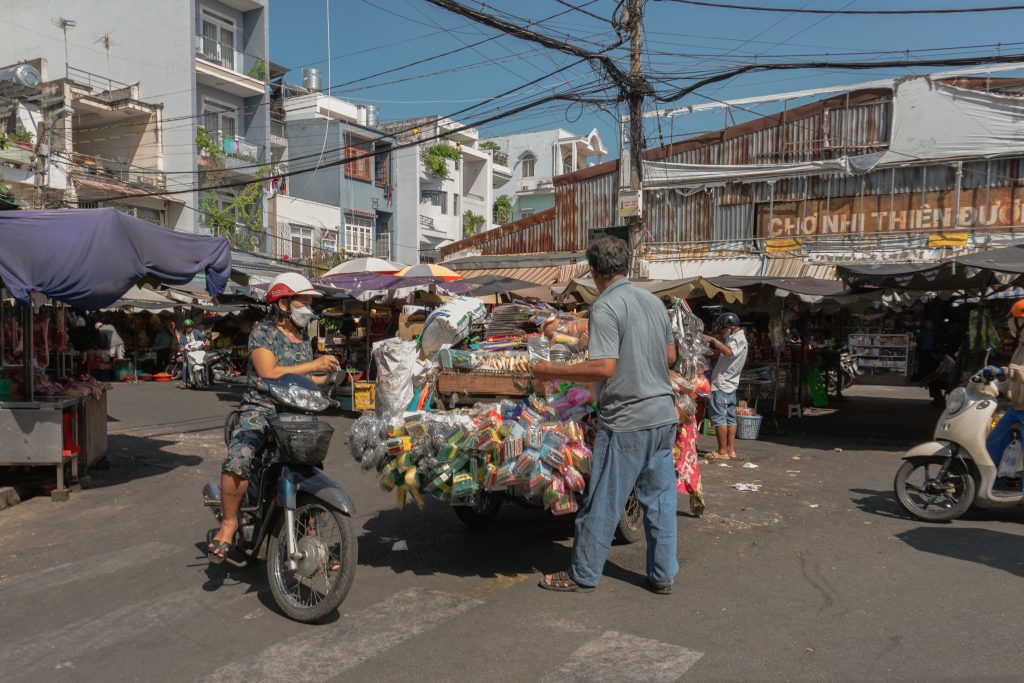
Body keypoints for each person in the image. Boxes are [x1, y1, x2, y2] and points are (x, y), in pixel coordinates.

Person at [533, 236, 678, 594]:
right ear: (626, 266)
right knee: (660, 503)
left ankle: (582, 572)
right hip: (663, 416)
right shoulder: (654, 303)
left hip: (628, 420)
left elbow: (603, 366)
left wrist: (549, 370)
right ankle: (662, 575)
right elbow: (671, 356)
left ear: (595, 271)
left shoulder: (605, 307)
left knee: (603, 499)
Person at [208, 273, 340, 563]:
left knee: (310, 465)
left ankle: (312, 540)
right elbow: (269, 373)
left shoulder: (303, 336)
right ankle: (229, 524)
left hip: (295, 411)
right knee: (239, 458)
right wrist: (312, 365)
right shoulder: (262, 332)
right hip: (261, 408)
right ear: (283, 304)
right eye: (303, 302)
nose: (308, 308)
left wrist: (325, 378)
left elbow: (299, 376)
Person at [704, 312, 748, 460]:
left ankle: (722, 451)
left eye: (723, 329)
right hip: (730, 385)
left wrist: (713, 340)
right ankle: (730, 450)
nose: (722, 332)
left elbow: (728, 352)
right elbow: (721, 354)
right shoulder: (734, 339)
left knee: (720, 419)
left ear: (730, 327)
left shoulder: (737, 339)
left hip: (722, 384)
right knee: (730, 419)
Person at [985, 300, 1024, 464]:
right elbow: (1015, 380)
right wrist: (996, 385)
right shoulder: (1021, 346)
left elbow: (1019, 372)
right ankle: (984, 481)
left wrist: (1006, 371)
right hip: (1017, 409)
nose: (1010, 326)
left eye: (1014, 320)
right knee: (993, 442)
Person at [179, 318, 209, 387]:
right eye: (186, 327)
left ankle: (208, 381)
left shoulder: (196, 332)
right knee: (185, 366)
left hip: (198, 351)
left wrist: (206, 340)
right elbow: (181, 344)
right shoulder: (183, 334)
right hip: (188, 353)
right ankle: (184, 383)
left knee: (206, 363)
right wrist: (181, 348)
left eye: (189, 326)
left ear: (192, 326)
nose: (188, 328)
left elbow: (203, 337)